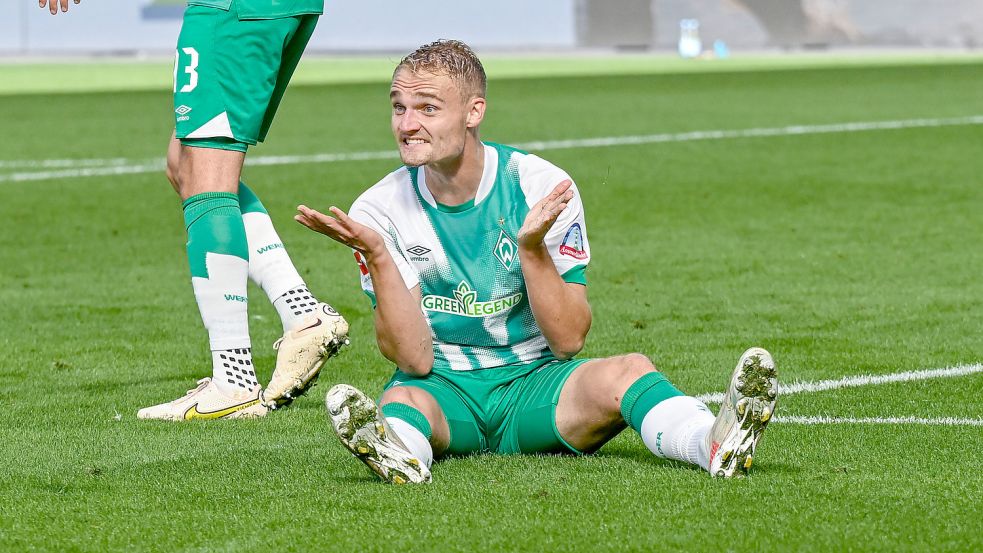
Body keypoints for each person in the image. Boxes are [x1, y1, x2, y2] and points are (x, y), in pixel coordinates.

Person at [296, 39, 777, 483]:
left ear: (473, 111)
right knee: (402, 401)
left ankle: (712, 445)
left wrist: (530, 250)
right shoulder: (377, 210)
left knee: (629, 369)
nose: (406, 124)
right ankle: (403, 457)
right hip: (444, 389)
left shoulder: (540, 186)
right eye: (398, 108)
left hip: (535, 385)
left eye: (427, 108)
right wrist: (376, 255)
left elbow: (568, 341)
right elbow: (413, 358)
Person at [41, 0, 349, 419]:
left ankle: (233, 379)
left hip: (234, 9)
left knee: (207, 178)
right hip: (275, 8)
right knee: (185, 165)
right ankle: (303, 314)